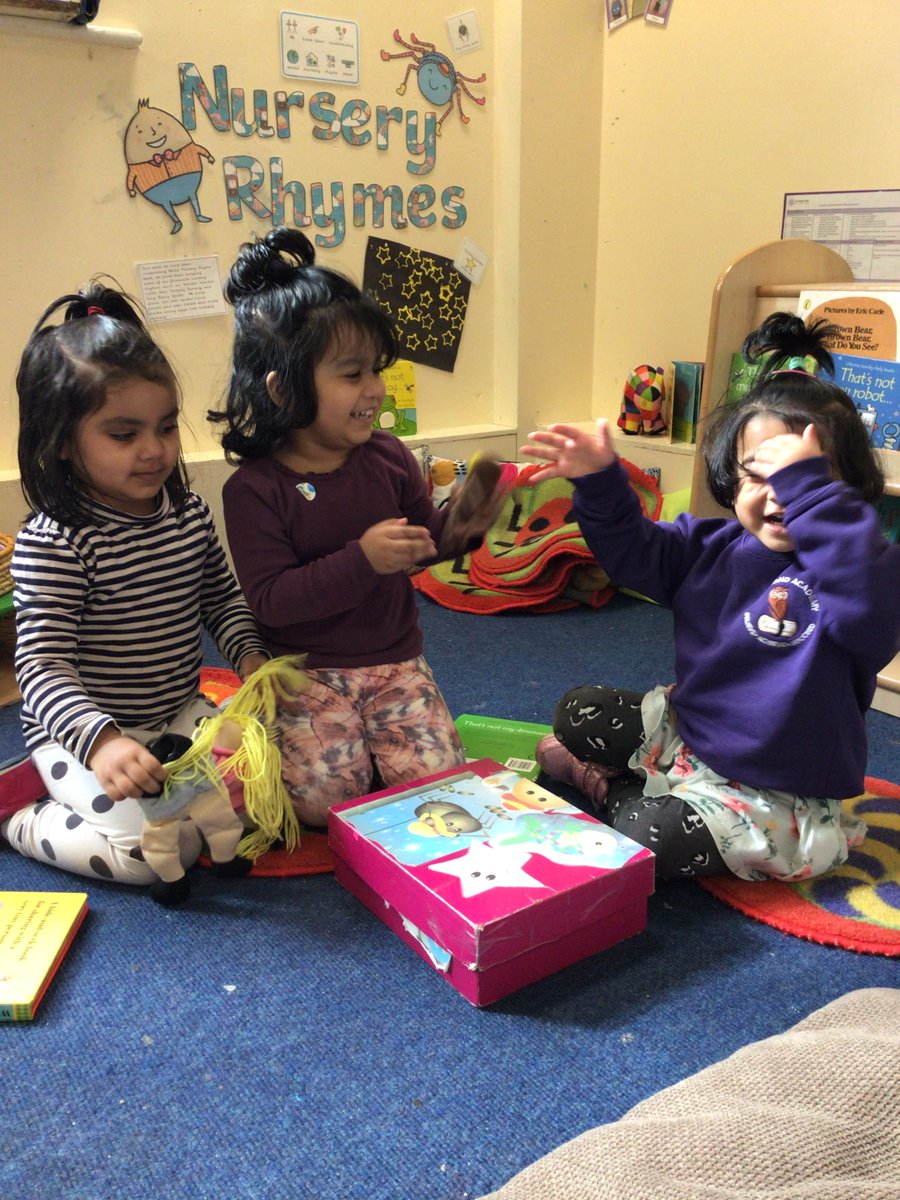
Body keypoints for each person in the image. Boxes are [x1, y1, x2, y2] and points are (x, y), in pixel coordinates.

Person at [521, 312, 900, 882]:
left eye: (802, 478)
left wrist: (813, 498)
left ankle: (604, 785)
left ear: (845, 491)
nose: (781, 496)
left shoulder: (861, 569)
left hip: (778, 790)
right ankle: (642, 781)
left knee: (648, 834)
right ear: (731, 479)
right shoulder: (709, 546)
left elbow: (870, 617)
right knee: (579, 709)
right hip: (691, 739)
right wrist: (600, 481)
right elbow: (632, 553)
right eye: (759, 475)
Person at [210, 227, 502, 827]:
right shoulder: (253, 491)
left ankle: (374, 749)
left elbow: (423, 546)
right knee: (321, 807)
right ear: (283, 389)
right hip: (307, 674)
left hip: (396, 663)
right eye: (352, 374)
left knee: (444, 791)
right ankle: (347, 753)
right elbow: (272, 602)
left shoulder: (389, 456)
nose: (374, 389)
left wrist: (463, 527)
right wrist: (362, 558)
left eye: (376, 370)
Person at [1, 280, 270, 902]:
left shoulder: (188, 514)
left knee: (267, 794)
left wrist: (253, 662)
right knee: (152, 856)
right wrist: (102, 739)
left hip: (176, 712)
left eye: (167, 427)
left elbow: (221, 601)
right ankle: (18, 818)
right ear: (65, 442)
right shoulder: (55, 543)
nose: (156, 451)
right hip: (85, 736)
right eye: (124, 435)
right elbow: (40, 665)